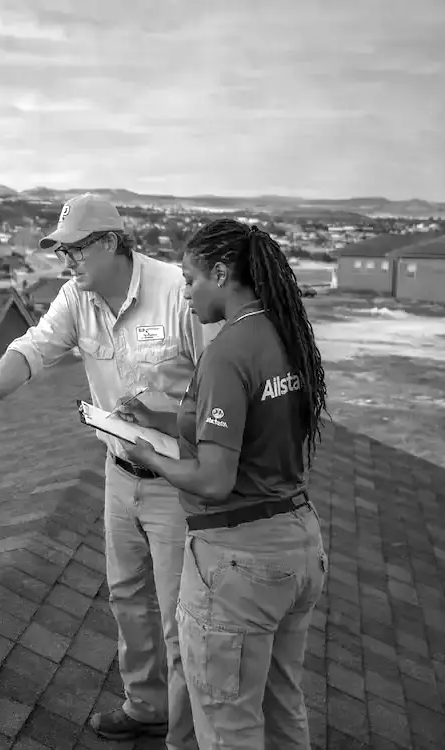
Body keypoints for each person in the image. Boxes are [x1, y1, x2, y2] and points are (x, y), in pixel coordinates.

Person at [0, 193, 219, 749]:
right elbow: (31, 351)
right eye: (60, 250)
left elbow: (220, 394)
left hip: (175, 480)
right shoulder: (77, 298)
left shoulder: (177, 294)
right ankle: (147, 707)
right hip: (120, 473)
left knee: (178, 615)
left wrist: (163, 413)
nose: (66, 260)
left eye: (75, 249)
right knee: (126, 596)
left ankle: (185, 737)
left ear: (111, 243)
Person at [124, 219, 330, 749]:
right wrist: (160, 420)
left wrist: (150, 456)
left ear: (221, 272)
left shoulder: (228, 350)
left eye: (192, 280)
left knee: (226, 723)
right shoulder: (284, 333)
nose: (187, 293)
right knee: (282, 707)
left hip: (239, 561)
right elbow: (246, 428)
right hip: (298, 543)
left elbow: (214, 479)